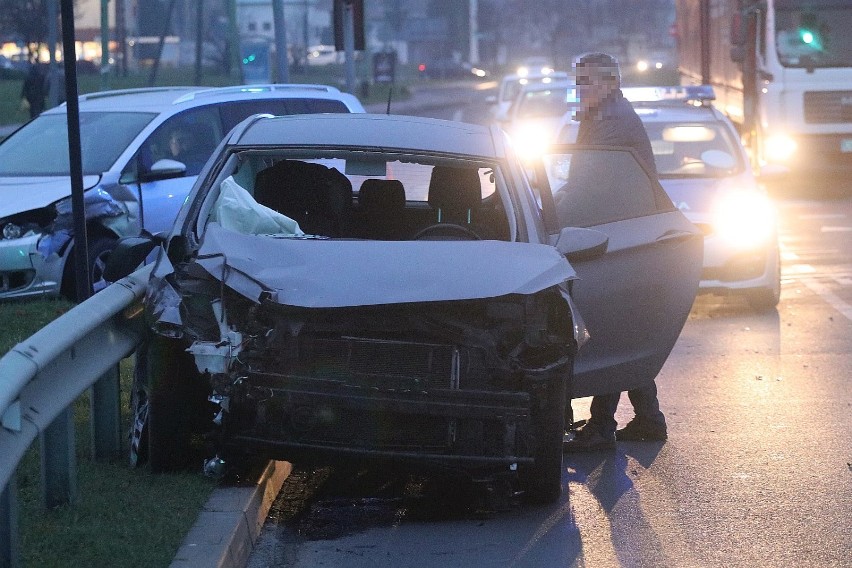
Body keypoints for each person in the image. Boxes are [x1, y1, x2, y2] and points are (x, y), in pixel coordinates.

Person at [561, 52, 668, 452]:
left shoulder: (613, 123)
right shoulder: (603, 115)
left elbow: (588, 180)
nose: (580, 89)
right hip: (625, 226)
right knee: (626, 325)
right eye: (578, 82)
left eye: (587, 82)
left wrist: (553, 209)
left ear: (608, 83)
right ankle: (648, 418)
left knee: (611, 325)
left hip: (624, 231)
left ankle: (603, 423)